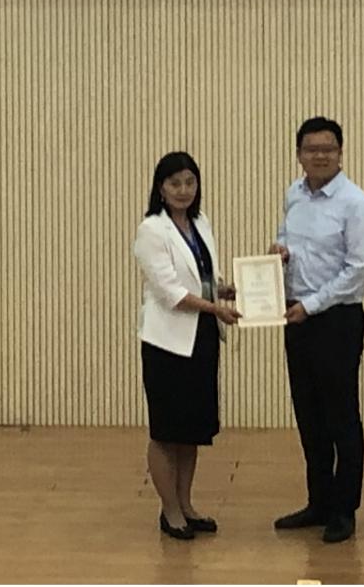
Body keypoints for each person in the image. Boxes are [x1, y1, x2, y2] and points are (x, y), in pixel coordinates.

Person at [269, 117, 364, 544]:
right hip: (295, 317)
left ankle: (344, 510)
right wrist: (279, 254)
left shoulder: (355, 203)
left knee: (340, 416)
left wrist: (311, 305)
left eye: (328, 148)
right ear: (299, 154)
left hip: (336, 320)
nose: (320, 155)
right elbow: (288, 242)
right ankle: (319, 501)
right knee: (308, 414)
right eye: (311, 149)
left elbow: (358, 269)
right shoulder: (293, 195)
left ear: (340, 152)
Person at [133, 151, 241, 540]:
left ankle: (186, 504)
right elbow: (170, 292)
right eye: (175, 183)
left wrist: (225, 290)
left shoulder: (200, 222)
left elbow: (202, 277)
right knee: (166, 430)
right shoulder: (152, 230)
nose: (183, 190)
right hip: (167, 343)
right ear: (160, 188)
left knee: (191, 429)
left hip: (202, 338)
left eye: (190, 182)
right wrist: (215, 307)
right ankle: (170, 510)